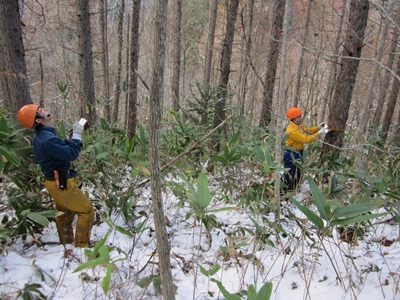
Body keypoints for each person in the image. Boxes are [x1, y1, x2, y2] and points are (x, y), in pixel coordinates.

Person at [17, 104, 94, 248]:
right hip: (62, 183)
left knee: (65, 213)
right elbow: (71, 154)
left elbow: (58, 149)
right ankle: (81, 247)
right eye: (41, 111)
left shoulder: (44, 136)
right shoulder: (47, 139)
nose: (45, 109)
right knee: (87, 211)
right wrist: (77, 136)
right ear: (39, 120)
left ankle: (66, 242)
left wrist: (69, 138)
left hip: (54, 182)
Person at [282, 107, 327, 192]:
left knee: (297, 174)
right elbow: (306, 139)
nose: (300, 118)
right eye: (298, 117)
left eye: (300, 116)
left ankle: (292, 191)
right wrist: (319, 133)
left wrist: (317, 128)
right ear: (294, 119)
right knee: (290, 175)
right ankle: (284, 193)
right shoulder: (292, 131)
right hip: (292, 155)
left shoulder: (297, 127)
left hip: (298, 153)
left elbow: (306, 131)